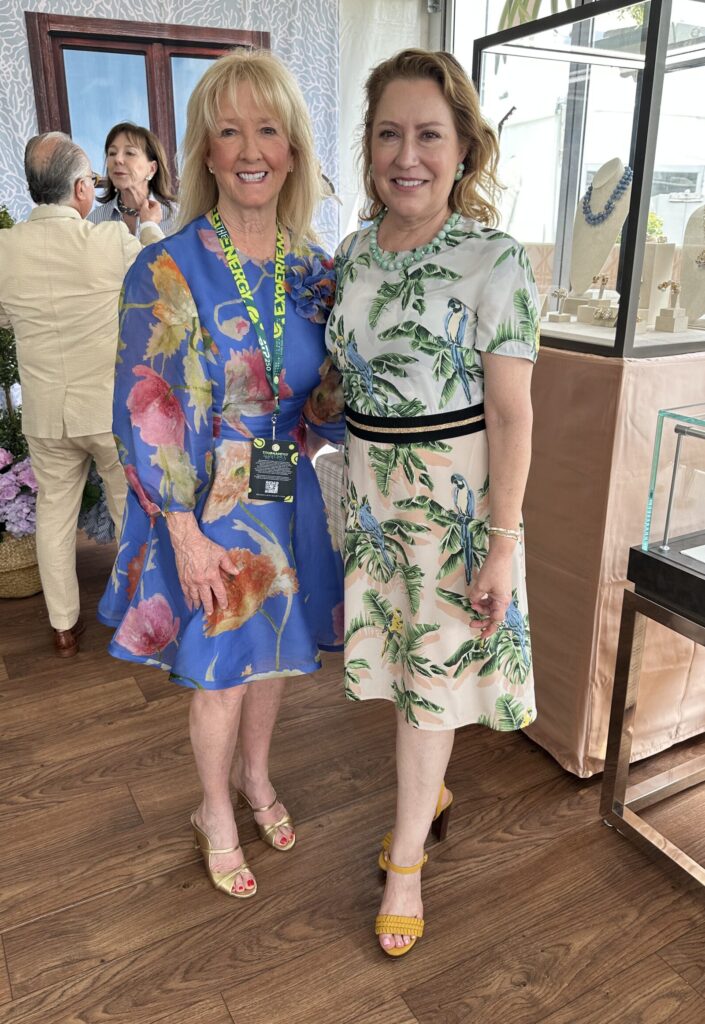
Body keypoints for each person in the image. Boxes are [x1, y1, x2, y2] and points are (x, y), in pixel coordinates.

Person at [98, 50, 343, 899]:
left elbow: (320, 400)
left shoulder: (315, 271)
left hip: (282, 485)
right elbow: (141, 405)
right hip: (199, 503)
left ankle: (256, 778)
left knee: (270, 658)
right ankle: (213, 806)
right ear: (203, 152)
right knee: (216, 670)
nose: (249, 148)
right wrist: (183, 530)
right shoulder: (164, 266)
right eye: (228, 130)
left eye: (267, 129)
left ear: (292, 150)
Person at [328, 49, 540, 956]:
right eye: (388, 134)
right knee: (404, 679)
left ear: (462, 149)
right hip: (373, 504)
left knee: (428, 691)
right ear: (369, 145)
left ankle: (406, 862)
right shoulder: (351, 253)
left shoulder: (496, 259)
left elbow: (510, 412)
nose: (405, 155)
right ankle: (432, 799)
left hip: (455, 515)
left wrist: (500, 542)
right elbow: (345, 380)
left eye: (427, 135)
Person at [0, 132, 163, 656]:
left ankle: (64, 628)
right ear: (78, 189)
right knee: (126, 512)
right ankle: (135, 616)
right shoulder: (110, 242)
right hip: (106, 411)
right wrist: (150, 216)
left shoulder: (3, 251)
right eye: (93, 176)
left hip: (46, 414)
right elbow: (163, 278)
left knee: (53, 516)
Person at [89, 122, 178, 236]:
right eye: (112, 153)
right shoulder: (95, 222)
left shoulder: (178, 217)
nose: (118, 159)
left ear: (152, 169)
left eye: (130, 153)